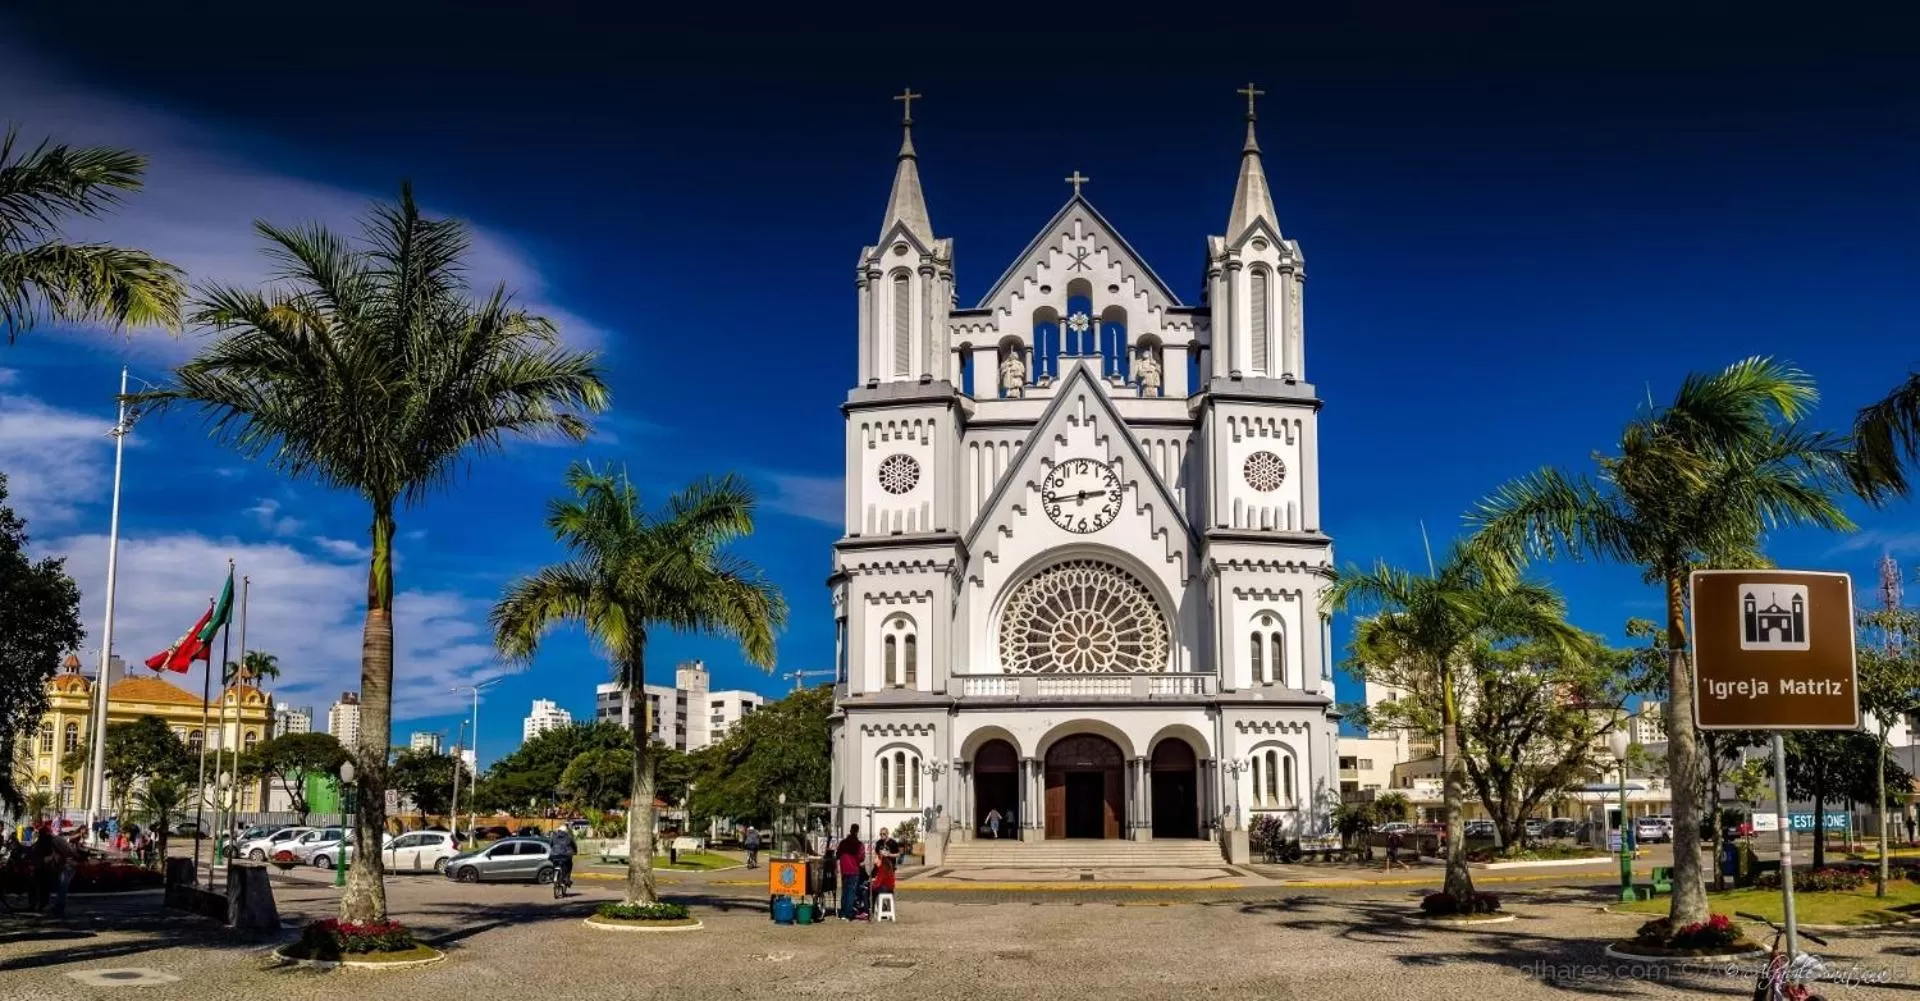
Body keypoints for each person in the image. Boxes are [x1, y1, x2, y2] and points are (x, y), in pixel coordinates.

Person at [836, 826, 865, 921]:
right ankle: (848, 914)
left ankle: (843, 913)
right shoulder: (859, 844)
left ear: (850, 830)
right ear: (857, 831)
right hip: (854, 870)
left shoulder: (843, 842)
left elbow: (838, 854)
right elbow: (861, 857)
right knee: (851, 893)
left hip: (844, 869)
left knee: (844, 892)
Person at [547, 823, 576, 896]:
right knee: (569, 866)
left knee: (555, 865)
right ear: (566, 830)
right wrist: (575, 851)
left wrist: (554, 849)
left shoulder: (554, 836)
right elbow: (573, 845)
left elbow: (550, 844)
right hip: (565, 856)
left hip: (554, 855)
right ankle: (566, 880)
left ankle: (554, 877)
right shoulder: (569, 836)